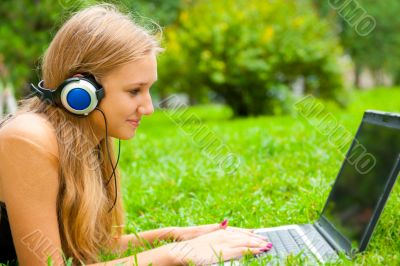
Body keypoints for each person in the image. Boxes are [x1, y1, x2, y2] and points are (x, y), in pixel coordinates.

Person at [0, 4, 272, 265]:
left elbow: (91, 248)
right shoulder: (27, 139)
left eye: (148, 89)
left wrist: (175, 235)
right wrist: (176, 255)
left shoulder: (88, 137)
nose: (149, 108)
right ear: (80, 93)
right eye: (134, 91)